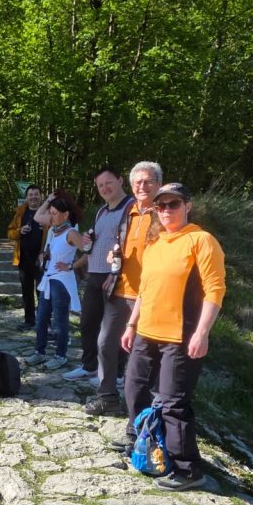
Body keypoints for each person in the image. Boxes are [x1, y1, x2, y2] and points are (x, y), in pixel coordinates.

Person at [120, 183, 226, 490]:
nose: (166, 210)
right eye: (161, 205)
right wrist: (131, 325)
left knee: (173, 402)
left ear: (187, 205)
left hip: (180, 336)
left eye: (173, 204)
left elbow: (215, 289)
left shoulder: (201, 240)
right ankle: (143, 442)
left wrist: (202, 333)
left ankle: (187, 469)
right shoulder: (155, 242)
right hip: (146, 331)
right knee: (133, 390)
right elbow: (144, 289)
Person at [86, 163, 162, 417]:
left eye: (148, 182)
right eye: (137, 182)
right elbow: (123, 247)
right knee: (105, 342)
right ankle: (107, 396)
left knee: (141, 355)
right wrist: (114, 267)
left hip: (150, 295)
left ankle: (141, 410)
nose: (142, 187)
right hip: (121, 289)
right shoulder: (130, 212)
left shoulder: (164, 212)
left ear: (159, 184)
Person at [54, 165, 138, 384]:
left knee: (114, 328)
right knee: (88, 323)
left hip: (117, 277)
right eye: (100, 185)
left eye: (108, 182)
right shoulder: (102, 211)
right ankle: (89, 366)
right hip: (95, 273)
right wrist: (87, 240)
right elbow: (93, 242)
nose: (104, 188)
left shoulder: (132, 208)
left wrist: (117, 272)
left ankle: (117, 374)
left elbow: (133, 246)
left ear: (120, 181)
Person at [27, 198, 82, 369]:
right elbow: (48, 252)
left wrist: (71, 265)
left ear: (65, 215)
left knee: (60, 321)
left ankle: (60, 355)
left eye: (55, 213)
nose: (51, 217)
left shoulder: (71, 233)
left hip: (62, 281)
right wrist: (43, 255)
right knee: (41, 318)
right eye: (50, 213)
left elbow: (89, 251)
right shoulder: (53, 231)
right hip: (48, 279)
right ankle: (40, 352)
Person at [6, 185, 45, 327]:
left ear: (41, 196)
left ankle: (43, 322)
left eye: (36, 194)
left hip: (42, 259)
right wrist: (19, 231)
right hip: (23, 258)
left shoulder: (47, 212)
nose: (33, 197)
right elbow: (10, 233)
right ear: (27, 197)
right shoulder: (21, 212)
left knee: (42, 292)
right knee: (27, 292)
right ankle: (29, 321)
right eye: (30, 194)